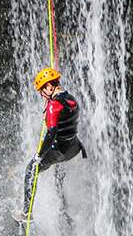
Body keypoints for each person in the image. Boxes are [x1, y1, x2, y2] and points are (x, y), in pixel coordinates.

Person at [19, 67, 87, 220]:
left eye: (42, 91)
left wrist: (39, 155)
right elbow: (64, 116)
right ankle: (62, 206)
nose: (41, 94)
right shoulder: (71, 99)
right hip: (74, 148)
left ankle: (26, 213)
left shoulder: (53, 106)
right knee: (58, 167)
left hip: (60, 151)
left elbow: (51, 134)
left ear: (49, 87)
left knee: (31, 169)